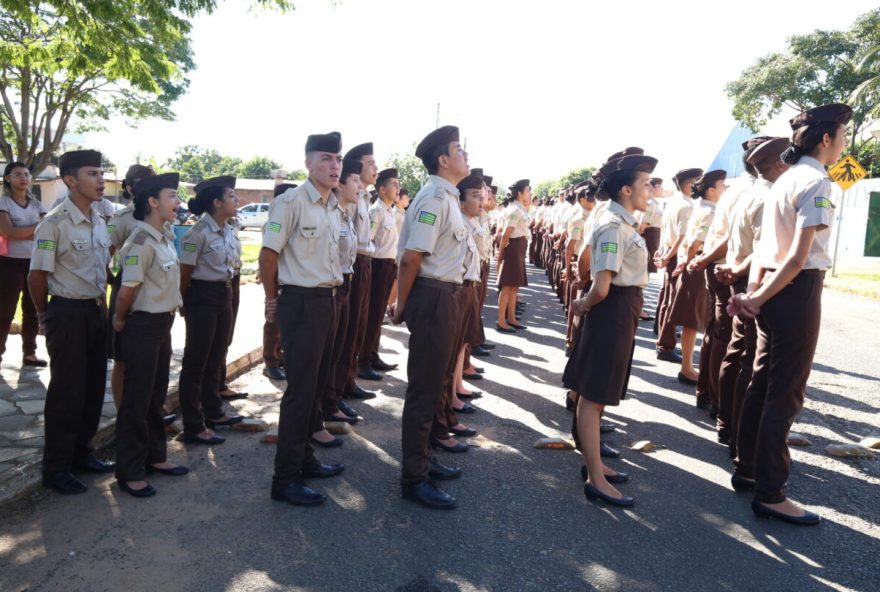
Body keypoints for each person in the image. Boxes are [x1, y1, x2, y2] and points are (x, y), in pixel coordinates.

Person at [729, 103, 852, 526]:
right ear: (825, 139)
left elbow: (767, 249)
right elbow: (797, 258)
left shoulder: (785, 180)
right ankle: (772, 492)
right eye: (843, 136)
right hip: (795, 292)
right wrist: (759, 297)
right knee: (785, 392)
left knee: (762, 383)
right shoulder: (816, 182)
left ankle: (747, 468)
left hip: (772, 290)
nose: (845, 143)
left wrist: (753, 294)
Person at [565, 153, 657, 508]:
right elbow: (601, 286)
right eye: (645, 183)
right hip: (611, 310)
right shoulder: (612, 226)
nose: (650, 189)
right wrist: (581, 306)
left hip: (622, 308)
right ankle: (595, 478)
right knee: (593, 395)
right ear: (625, 189)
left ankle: (596, 464)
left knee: (600, 394)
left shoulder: (624, 223)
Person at [260, 132, 346, 507]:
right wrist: (271, 300)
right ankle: (285, 478)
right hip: (301, 303)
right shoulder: (292, 202)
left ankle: (305, 459)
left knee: (314, 387)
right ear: (308, 163)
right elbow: (267, 255)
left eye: (338, 159)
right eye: (326, 158)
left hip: (326, 300)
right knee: (299, 392)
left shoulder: (332, 205)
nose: (334, 166)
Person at [391, 125, 469, 509]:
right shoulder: (434, 199)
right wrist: (402, 305)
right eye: (459, 148)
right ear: (442, 159)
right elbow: (411, 258)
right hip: (434, 295)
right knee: (424, 390)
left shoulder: (449, 198)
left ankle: (423, 458)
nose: (465, 153)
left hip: (448, 295)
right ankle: (413, 478)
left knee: (437, 383)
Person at [28, 149, 114, 494]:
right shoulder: (54, 223)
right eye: (93, 174)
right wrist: (42, 315)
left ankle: (83, 453)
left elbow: (102, 271)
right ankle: (57, 468)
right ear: (70, 180)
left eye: (101, 173)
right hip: (66, 312)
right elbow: (37, 276)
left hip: (94, 311)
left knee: (93, 387)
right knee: (67, 392)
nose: (101, 180)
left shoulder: (98, 219)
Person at [113, 172, 189, 497]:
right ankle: (129, 471)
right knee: (136, 400)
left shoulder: (164, 237)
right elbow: (126, 291)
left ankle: (156, 457)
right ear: (153, 202)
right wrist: (118, 320)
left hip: (162, 325)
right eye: (172, 196)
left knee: (156, 396)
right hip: (142, 326)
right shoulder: (140, 243)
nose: (178, 202)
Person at [715, 137, 790, 455]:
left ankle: (727, 423)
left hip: (739, 273)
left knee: (736, 353)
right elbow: (763, 249)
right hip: (752, 279)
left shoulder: (745, 192)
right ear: (777, 162)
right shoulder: (768, 196)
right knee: (752, 362)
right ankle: (740, 435)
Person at [178, 176, 245, 446]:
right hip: (202, 296)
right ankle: (194, 424)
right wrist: (185, 303)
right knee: (197, 361)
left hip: (224, 293)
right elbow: (185, 273)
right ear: (216, 202)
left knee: (217, 355)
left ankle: (213, 412)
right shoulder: (198, 233)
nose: (236, 200)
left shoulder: (228, 228)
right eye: (231, 195)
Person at [314, 159, 363, 448]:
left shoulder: (344, 214)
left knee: (339, 347)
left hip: (345, 282)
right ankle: (322, 407)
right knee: (325, 353)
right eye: (353, 181)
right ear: (340, 185)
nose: (359, 186)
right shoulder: (328, 213)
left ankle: (330, 400)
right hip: (327, 287)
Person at [670, 170, 725, 395]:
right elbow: (694, 242)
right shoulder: (709, 212)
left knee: (693, 319)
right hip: (698, 266)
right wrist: (690, 262)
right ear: (711, 190)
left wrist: (685, 261)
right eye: (722, 185)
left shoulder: (700, 207)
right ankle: (687, 368)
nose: (725, 189)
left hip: (692, 264)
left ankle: (688, 366)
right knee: (693, 320)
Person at [107, 164, 156, 410]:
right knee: (123, 358)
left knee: (151, 357)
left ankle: (150, 408)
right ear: (129, 188)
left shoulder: (158, 215)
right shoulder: (122, 219)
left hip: (153, 295)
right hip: (127, 290)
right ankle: (122, 410)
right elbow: (104, 254)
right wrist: (112, 281)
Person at [339, 142, 381, 395]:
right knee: (349, 326)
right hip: (353, 263)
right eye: (371, 163)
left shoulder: (364, 196)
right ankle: (341, 383)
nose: (376, 168)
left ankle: (348, 380)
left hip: (365, 263)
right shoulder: (352, 198)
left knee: (359, 325)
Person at [0, 162, 47, 368]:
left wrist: (24, 232)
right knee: (5, 309)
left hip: (35, 262)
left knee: (33, 308)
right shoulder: (3, 203)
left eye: (27, 174)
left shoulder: (38, 205)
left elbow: (47, 233)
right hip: (9, 263)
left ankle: (30, 353)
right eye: (17, 174)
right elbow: (9, 232)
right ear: (8, 178)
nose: (23, 178)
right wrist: (35, 229)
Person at [654, 168, 702, 365]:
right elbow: (683, 237)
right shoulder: (688, 206)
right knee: (673, 301)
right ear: (689, 185)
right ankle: (666, 345)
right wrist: (669, 257)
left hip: (669, 252)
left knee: (667, 299)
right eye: (698, 182)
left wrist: (662, 252)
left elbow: (665, 232)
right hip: (677, 255)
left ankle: (663, 342)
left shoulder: (675, 203)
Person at [359, 168, 401, 375]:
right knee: (372, 314)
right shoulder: (376, 211)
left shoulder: (390, 211)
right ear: (382, 189)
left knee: (378, 315)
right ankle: (364, 360)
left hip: (388, 266)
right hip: (377, 267)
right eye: (394, 184)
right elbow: (369, 240)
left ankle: (373, 355)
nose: (398, 188)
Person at [261, 182, 298, 382]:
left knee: (285, 321)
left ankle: (279, 354)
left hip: (289, 274)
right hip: (276, 275)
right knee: (273, 319)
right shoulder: (273, 222)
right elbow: (268, 254)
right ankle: (270, 362)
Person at [496, 179, 531, 333]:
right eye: (527, 191)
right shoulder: (515, 210)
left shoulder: (521, 209)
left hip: (520, 248)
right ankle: (501, 321)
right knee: (507, 287)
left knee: (514, 286)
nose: (530, 194)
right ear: (519, 193)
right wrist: (501, 253)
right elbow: (506, 234)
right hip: (513, 248)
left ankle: (511, 318)